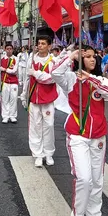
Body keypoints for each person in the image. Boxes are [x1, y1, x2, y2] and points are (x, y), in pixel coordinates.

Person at [53, 46, 108, 216]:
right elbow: (55, 72)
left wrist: (90, 79)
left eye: (93, 57)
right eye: (87, 56)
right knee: (84, 178)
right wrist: (71, 56)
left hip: (98, 136)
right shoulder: (70, 79)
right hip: (77, 134)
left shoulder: (100, 80)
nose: (92, 60)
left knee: (97, 181)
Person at [26, 35, 61, 167]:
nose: (40, 46)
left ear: (49, 46)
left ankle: (48, 153)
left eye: (43, 44)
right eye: (39, 43)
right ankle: (38, 154)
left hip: (48, 98)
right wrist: (25, 95)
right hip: (34, 98)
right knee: (35, 127)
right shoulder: (32, 59)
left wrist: (36, 74)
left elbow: (51, 79)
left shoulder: (53, 61)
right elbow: (27, 79)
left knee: (49, 126)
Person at [0, 44, 20, 124]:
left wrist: (4, 69)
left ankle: (13, 116)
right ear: (5, 49)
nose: (9, 50)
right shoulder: (2, 58)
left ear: (13, 49)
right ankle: (5, 116)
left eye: (10, 49)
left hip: (14, 82)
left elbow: (14, 71)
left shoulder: (16, 59)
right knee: (5, 99)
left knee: (13, 99)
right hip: (4, 82)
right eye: (7, 49)